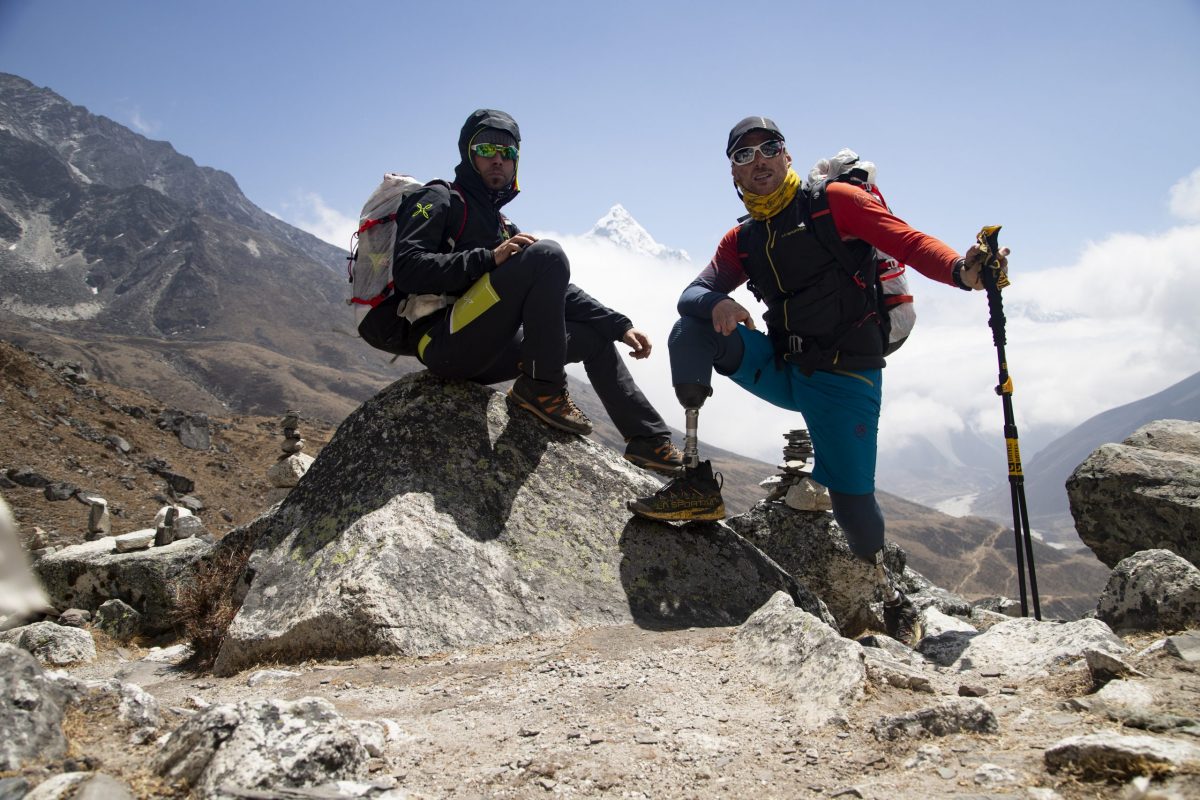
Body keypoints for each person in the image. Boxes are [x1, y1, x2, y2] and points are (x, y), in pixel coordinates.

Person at [628, 116, 1008, 644]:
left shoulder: (835, 202)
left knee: (854, 506)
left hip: (845, 379)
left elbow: (908, 241)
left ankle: (889, 595)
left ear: (787, 156)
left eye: (770, 148)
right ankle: (694, 482)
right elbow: (691, 294)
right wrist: (718, 300)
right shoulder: (743, 239)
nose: (758, 160)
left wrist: (963, 272)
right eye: (743, 155)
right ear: (733, 174)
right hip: (786, 368)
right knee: (690, 331)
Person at [358, 109, 682, 472]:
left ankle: (649, 442)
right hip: (441, 342)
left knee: (594, 335)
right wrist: (488, 259)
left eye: (508, 153)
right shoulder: (440, 199)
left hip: (486, 350)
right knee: (546, 253)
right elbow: (409, 270)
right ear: (468, 153)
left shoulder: (502, 225)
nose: (498, 159)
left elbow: (558, 289)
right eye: (486, 150)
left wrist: (619, 325)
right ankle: (543, 389)